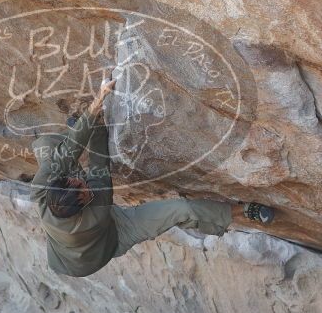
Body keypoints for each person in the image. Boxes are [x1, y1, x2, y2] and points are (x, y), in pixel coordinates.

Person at [30, 79, 274, 278]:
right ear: (84, 203)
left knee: (45, 145)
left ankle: (81, 128)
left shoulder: (41, 190)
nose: (80, 181)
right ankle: (243, 212)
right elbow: (98, 164)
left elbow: (67, 153)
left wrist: (96, 106)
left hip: (72, 233)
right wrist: (96, 128)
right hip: (113, 236)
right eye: (83, 188)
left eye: (74, 180)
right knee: (181, 209)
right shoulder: (98, 211)